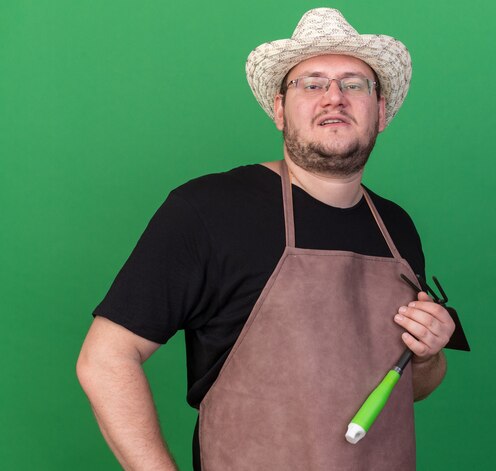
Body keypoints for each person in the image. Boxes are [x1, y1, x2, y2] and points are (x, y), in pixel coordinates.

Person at [77, 8, 456, 470]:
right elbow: (105, 358)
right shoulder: (208, 210)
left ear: (380, 112)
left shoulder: (396, 228)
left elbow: (408, 388)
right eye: (311, 83)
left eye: (354, 84)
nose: (333, 97)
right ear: (279, 109)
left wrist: (428, 355)